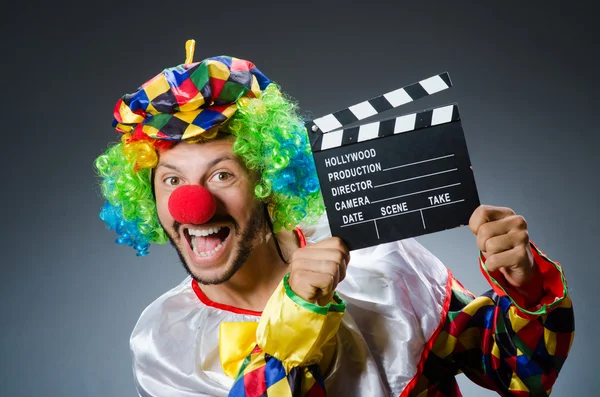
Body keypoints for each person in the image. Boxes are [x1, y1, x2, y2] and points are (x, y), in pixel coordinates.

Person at [94, 40, 574, 396]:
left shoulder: (372, 253)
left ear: (268, 179)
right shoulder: (166, 342)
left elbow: (519, 371)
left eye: (222, 175)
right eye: (172, 181)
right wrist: (296, 317)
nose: (192, 207)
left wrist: (526, 286)